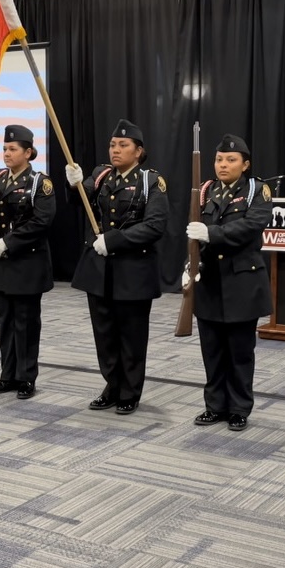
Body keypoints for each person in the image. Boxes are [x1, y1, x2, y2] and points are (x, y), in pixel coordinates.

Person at [64, 119, 169, 415]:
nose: (116, 150)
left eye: (123, 145)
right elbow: (79, 201)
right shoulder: (101, 176)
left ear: (138, 151)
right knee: (105, 334)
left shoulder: (151, 182)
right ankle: (112, 385)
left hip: (133, 270)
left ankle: (130, 391)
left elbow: (155, 226)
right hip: (99, 270)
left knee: (131, 335)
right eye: (113, 145)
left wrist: (115, 240)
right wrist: (72, 183)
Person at [185, 134, 273, 432]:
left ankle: (238, 408)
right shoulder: (206, 191)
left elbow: (252, 225)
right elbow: (192, 235)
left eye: (231, 160)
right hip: (209, 281)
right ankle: (214, 406)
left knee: (239, 351)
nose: (223, 164)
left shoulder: (256, 191)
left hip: (241, 282)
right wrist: (189, 264)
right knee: (212, 349)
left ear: (245, 164)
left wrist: (212, 234)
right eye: (219, 159)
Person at [0, 125, 56, 397]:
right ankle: (8, 375)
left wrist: (9, 242)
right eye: (4, 149)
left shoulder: (39, 183)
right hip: (2, 264)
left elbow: (42, 221)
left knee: (25, 323)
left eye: (12, 149)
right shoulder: (0, 180)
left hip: (27, 264)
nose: (6, 153)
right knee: (5, 323)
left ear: (28, 152)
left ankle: (26, 377)